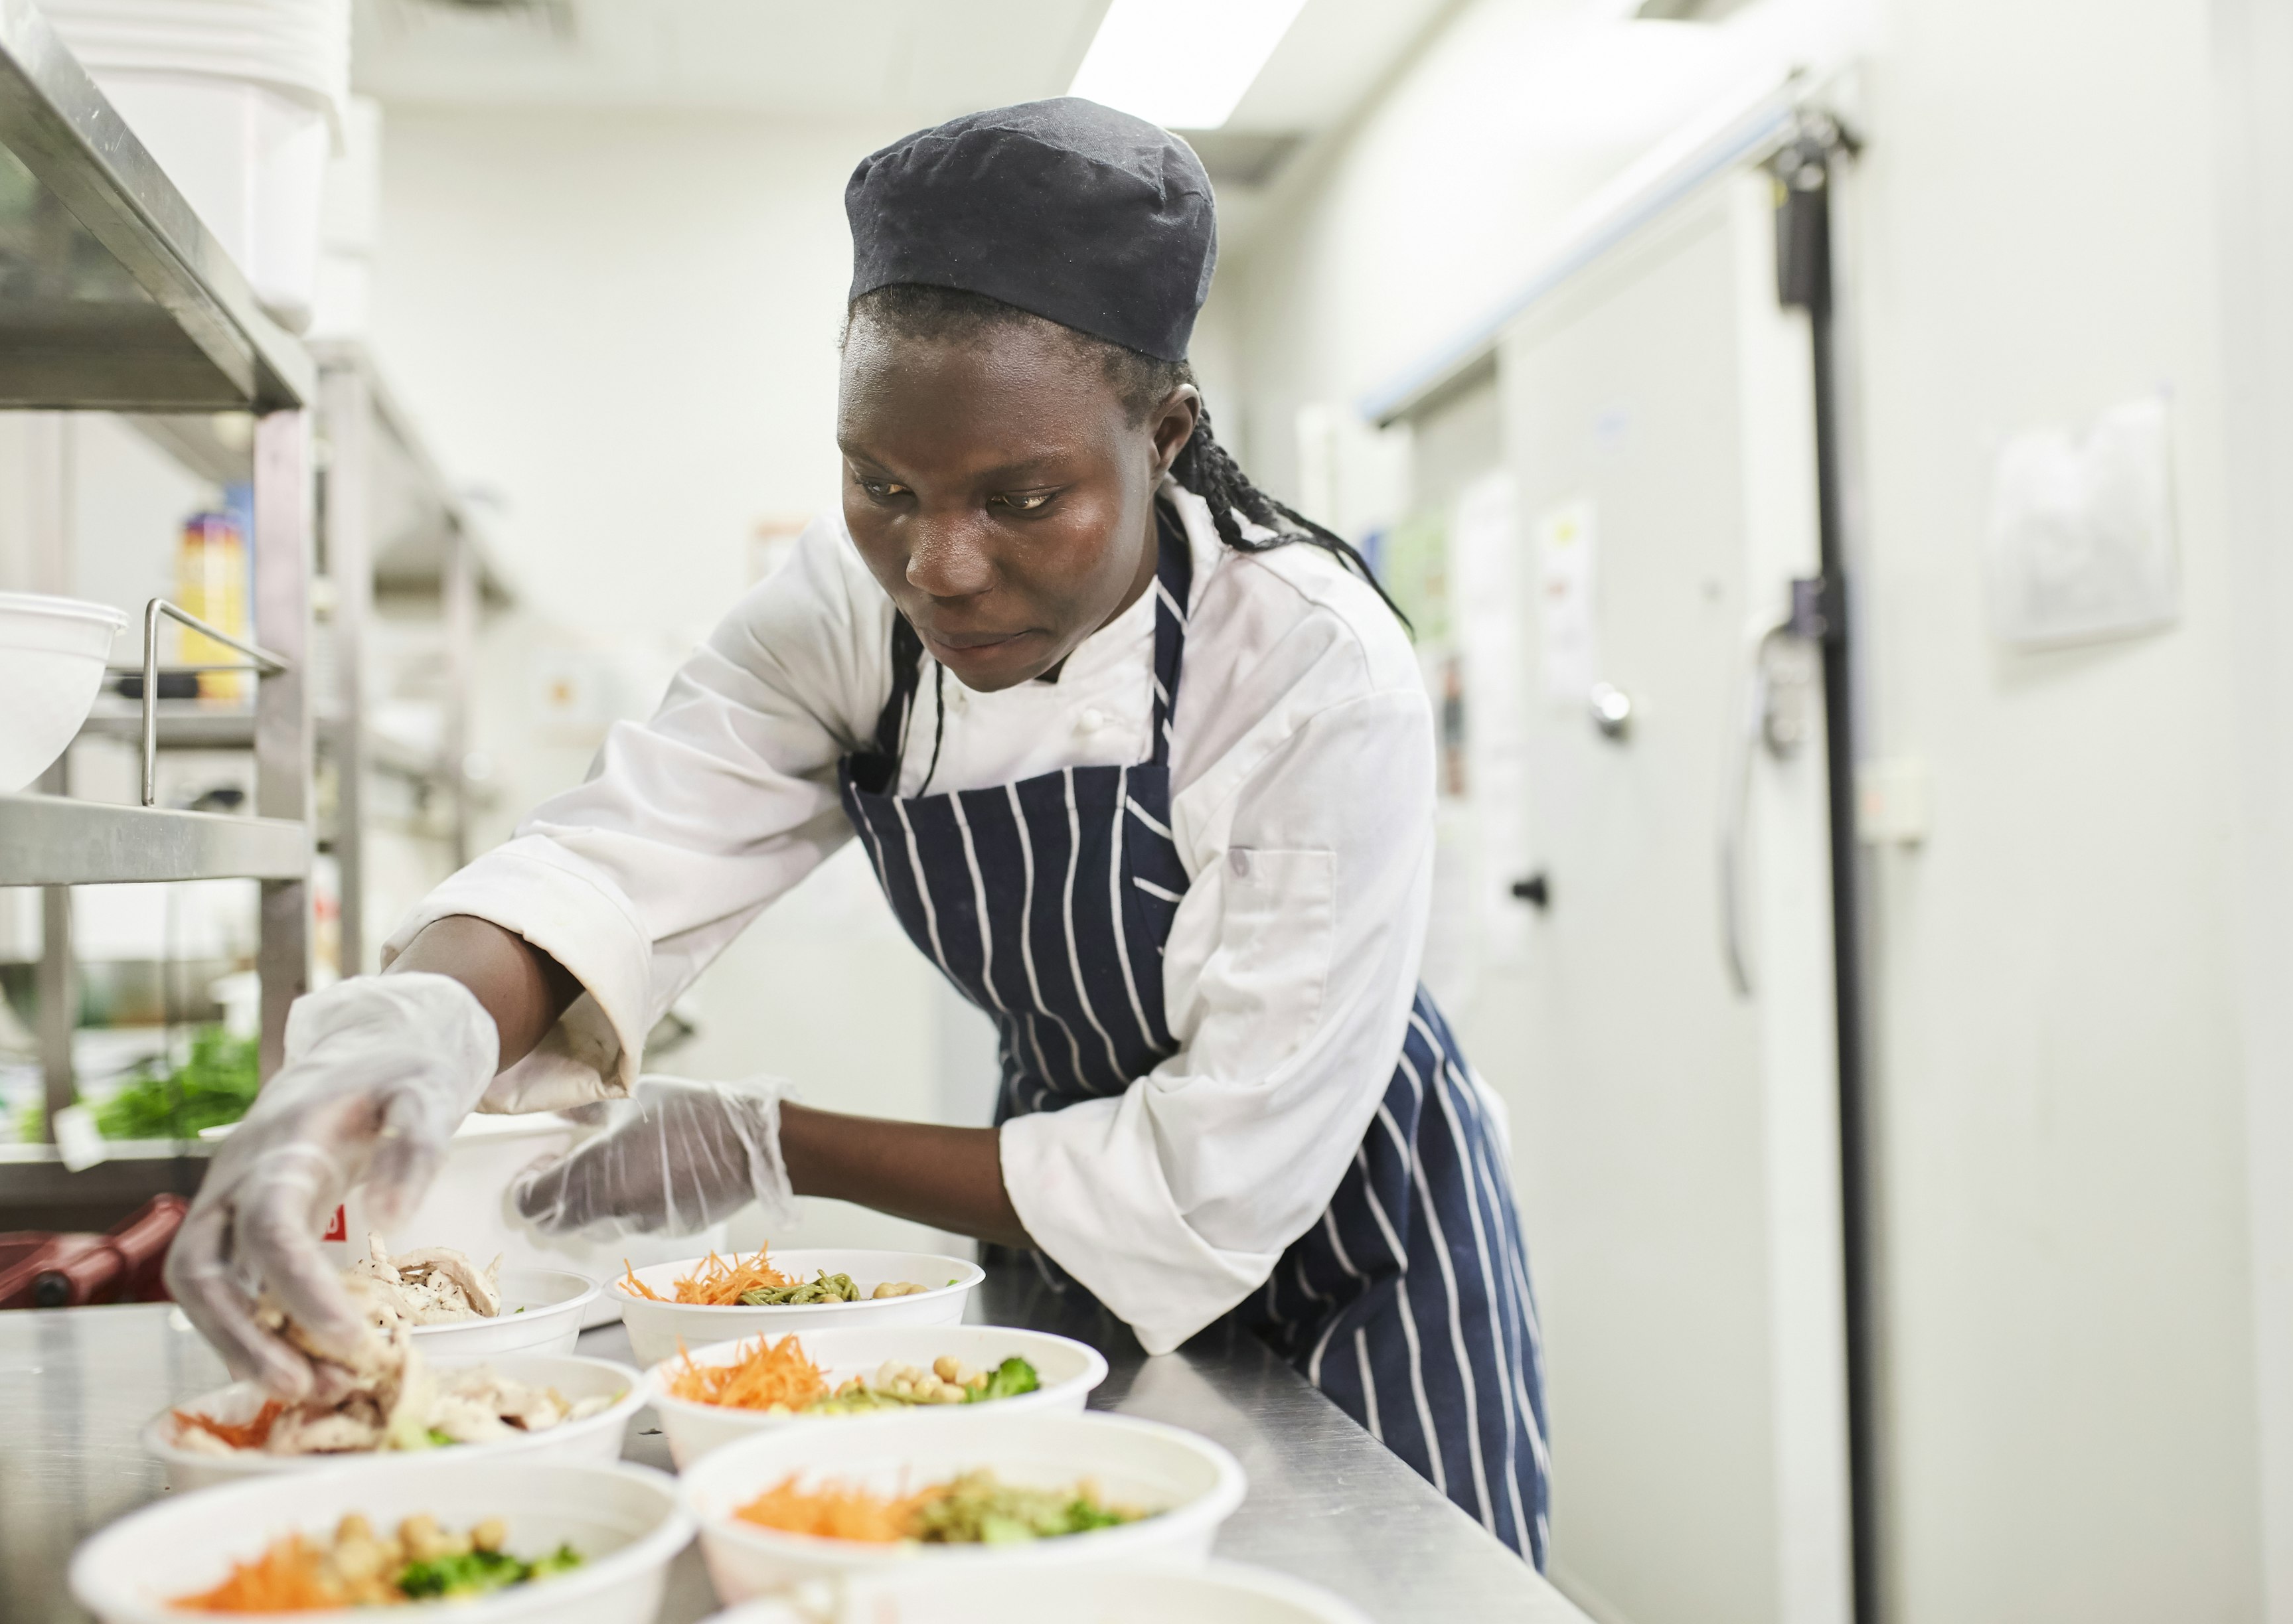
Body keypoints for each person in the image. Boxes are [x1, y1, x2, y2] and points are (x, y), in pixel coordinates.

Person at [168, 98, 1550, 1563]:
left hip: (1352, 1237)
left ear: (1166, 433)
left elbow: (1207, 1185)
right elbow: (624, 850)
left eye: (1025, 499)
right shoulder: (852, 616)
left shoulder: (1304, 662)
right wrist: (414, 1020)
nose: (940, 567)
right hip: (1059, 1222)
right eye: (882, 486)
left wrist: (771, 1140)